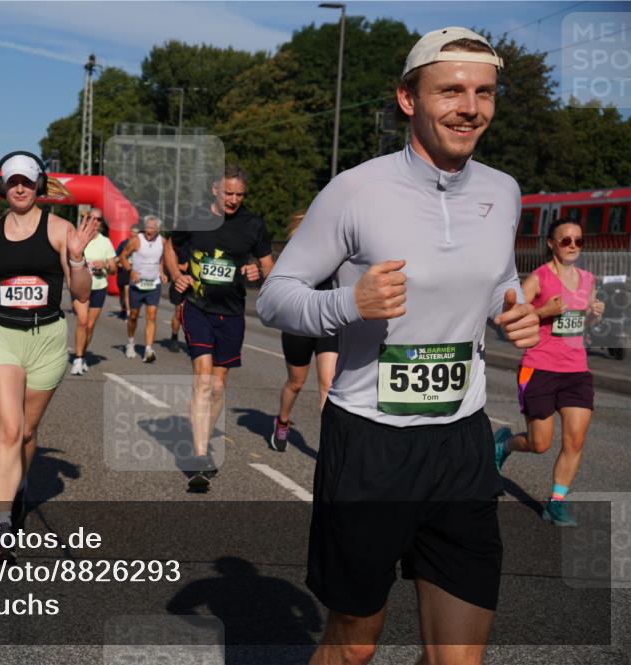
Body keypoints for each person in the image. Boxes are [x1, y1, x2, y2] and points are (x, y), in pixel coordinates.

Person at [256, 28, 541, 665]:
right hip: (371, 443)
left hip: (462, 442)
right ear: (409, 99)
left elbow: (499, 279)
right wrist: (347, 304)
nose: (471, 108)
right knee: (355, 646)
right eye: (452, 91)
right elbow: (276, 297)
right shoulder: (356, 189)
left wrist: (509, 312)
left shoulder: (503, 190)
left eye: (485, 93)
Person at [0, 151, 96, 561]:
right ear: (2, 187)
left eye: (27, 181)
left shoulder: (61, 229)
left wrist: (77, 258)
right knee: (9, 430)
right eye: (13, 182)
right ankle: (2, 524)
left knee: (27, 432)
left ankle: (21, 483)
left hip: (46, 340)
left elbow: (81, 292)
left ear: (39, 184)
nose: (20, 188)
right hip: (1, 337)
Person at [164, 165, 274, 489]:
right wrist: (176, 275)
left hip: (232, 313)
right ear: (214, 189)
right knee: (203, 378)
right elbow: (170, 246)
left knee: (217, 386)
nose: (234, 200)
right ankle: (200, 456)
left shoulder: (253, 225)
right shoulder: (193, 218)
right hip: (197, 307)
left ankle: (202, 432)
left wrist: (258, 273)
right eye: (228, 193)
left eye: (239, 195)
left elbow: (268, 265)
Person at [494, 219, 605, 527]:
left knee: (575, 441)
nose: (573, 246)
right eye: (566, 240)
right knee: (539, 444)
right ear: (551, 244)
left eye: (578, 241)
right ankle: (504, 445)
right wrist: (544, 312)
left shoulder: (587, 280)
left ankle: (556, 503)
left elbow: (583, 324)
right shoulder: (538, 278)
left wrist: (593, 316)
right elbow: (510, 318)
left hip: (576, 370)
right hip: (539, 367)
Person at [270, 212, 339, 452]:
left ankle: (329, 447)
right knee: (296, 382)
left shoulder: (338, 246)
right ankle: (282, 421)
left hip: (327, 320)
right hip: (298, 320)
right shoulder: (295, 249)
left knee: (328, 383)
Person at [71, 209, 116, 376]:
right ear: (86, 219)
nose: (95, 222)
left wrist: (104, 265)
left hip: (99, 286)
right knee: (82, 321)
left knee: (90, 326)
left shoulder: (105, 242)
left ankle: (82, 355)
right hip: (81, 287)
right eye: (91, 218)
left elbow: (113, 269)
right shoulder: (77, 237)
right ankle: (78, 358)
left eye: (98, 219)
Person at [120, 215, 167, 363]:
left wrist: (162, 272)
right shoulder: (136, 240)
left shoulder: (163, 241)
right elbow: (123, 256)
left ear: (158, 229)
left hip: (154, 284)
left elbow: (161, 258)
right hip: (137, 284)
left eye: (152, 228)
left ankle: (148, 349)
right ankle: (130, 343)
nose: (148, 231)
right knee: (133, 316)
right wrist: (131, 271)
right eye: (147, 227)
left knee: (151, 316)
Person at [115, 226, 138, 320]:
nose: (135, 234)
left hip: (132, 272)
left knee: (128, 292)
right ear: (130, 232)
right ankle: (124, 309)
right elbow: (116, 257)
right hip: (122, 271)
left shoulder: (139, 244)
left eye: (137, 233)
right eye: (133, 232)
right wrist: (118, 262)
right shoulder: (123, 243)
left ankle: (129, 312)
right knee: (122, 293)